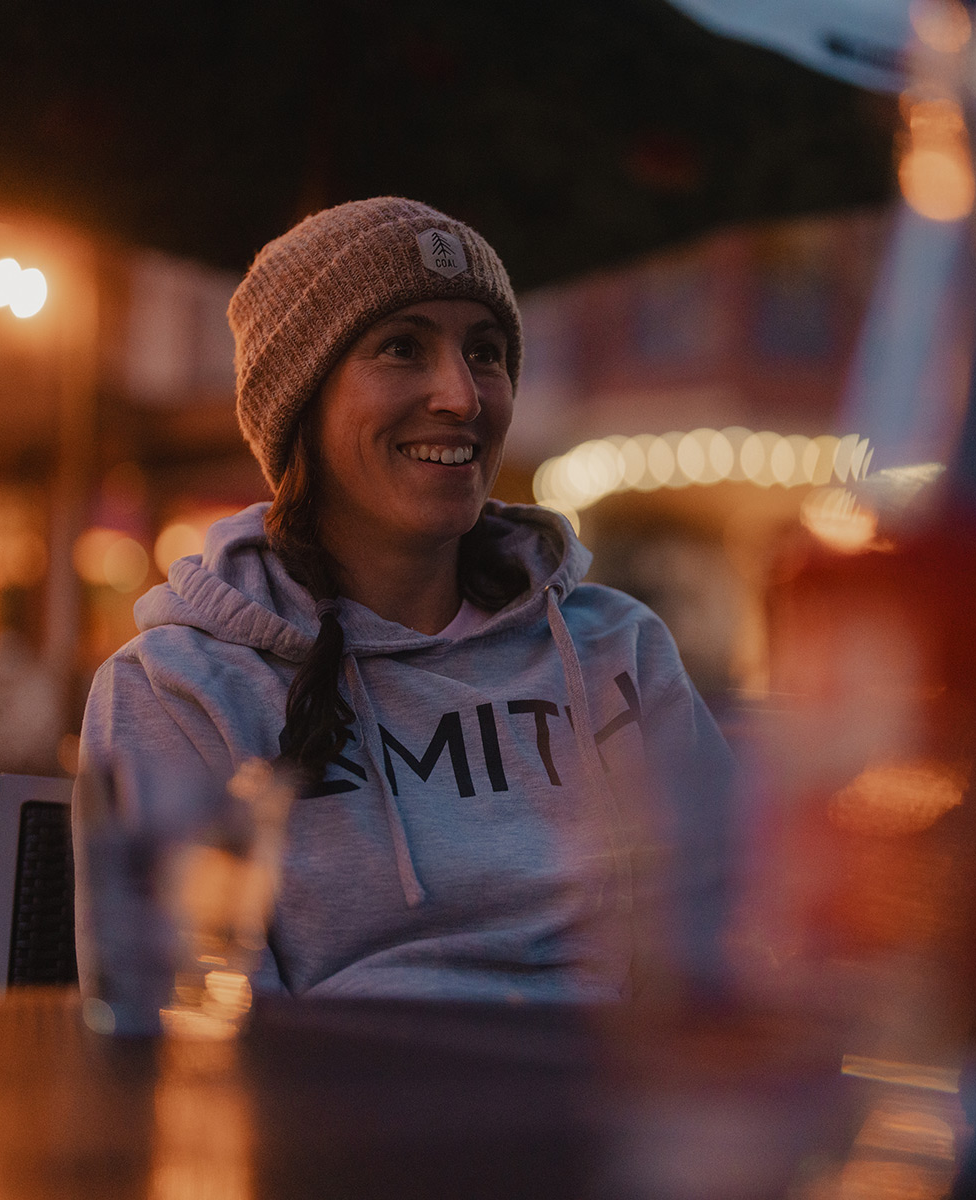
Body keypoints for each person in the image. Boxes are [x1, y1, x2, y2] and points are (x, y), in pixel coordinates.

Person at [76, 197, 734, 1005]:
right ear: (302, 405)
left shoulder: (618, 648)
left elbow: (729, 941)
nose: (461, 396)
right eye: (401, 348)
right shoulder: (179, 687)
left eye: (485, 352)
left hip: (607, 1117)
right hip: (336, 1125)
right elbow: (187, 1029)